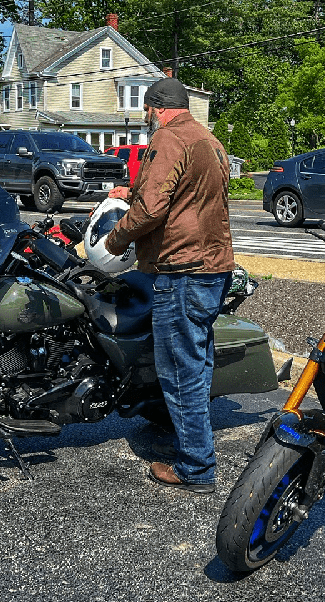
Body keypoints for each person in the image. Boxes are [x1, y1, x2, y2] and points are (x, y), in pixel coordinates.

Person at [104, 76, 235, 494]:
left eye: (147, 112)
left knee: (181, 372)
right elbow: (187, 194)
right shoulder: (209, 141)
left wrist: (114, 237)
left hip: (183, 269)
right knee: (196, 364)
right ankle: (198, 448)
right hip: (214, 265)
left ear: (156, 109)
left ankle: (197, 468)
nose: (147, 119)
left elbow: (152, 207)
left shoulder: (168, 138)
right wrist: (132, 188)